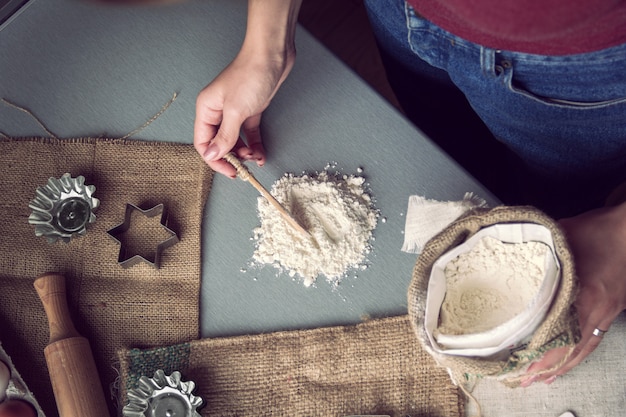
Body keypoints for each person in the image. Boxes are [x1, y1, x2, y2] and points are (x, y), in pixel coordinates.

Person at [193, 0, 626, 385]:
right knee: (447, 147)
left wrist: (620, 237)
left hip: (580, 71)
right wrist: (266, 44)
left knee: (560, 195)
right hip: (405, 15)